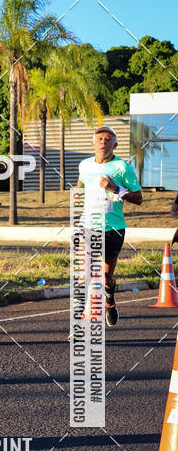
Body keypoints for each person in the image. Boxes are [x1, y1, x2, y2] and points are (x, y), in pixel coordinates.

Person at [76, 124, 143, 326]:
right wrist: (76, 197)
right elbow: (80, 186)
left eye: (108, 139)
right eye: (99, 139)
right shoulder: (84, 165)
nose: (103, 142)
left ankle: (110, 300)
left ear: (115, 144)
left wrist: (117, 188)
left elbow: (139, 198)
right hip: (87, 226)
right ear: (92, 143)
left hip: (113, 229)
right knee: (83, 275)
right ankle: (78, 322)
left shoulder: (123, 167)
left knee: (107, 278)